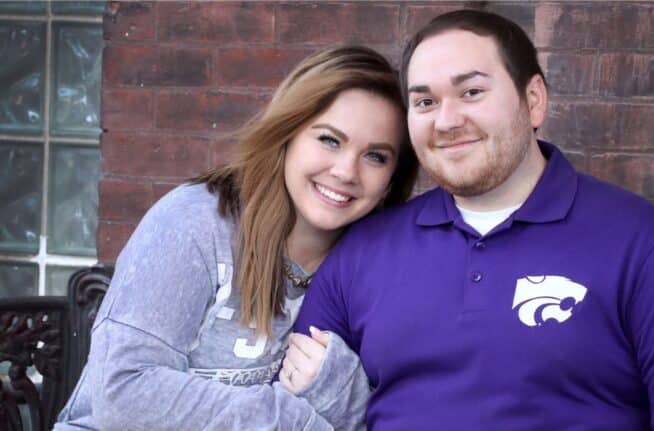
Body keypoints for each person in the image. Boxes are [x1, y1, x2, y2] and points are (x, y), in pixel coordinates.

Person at [293, 10, 654, 431]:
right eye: (425, 102)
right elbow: (297, 407)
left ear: (533, 101)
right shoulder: (363, 251)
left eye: (471, 92)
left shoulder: (647, 245)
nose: (447, 120)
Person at [54, 46, 418, 431]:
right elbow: (122, 394)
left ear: (392, 179)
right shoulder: (196, 222)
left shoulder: (372, 266)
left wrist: (340, 390)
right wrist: (291, 421)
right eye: (330, 140)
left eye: (376, 156)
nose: (346, 171)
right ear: (288, 133)